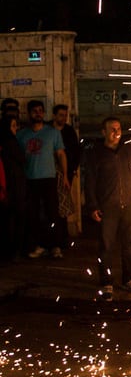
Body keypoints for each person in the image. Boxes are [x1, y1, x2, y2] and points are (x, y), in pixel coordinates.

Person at [84, 117, 131, 302]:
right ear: (103, 132)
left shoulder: (128, 150)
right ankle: (106, 282)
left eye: (118, 128)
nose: (116, 132)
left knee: (129, 245)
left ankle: (129, 279)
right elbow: (90, 183)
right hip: (107, 207)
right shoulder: (96, 154)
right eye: (112, 129)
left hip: (128, 205)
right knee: (106, 246)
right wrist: (92, 206)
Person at [17, 100, 68, 259]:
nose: (38, 113)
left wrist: (65, 176)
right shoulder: (22, 135)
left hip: (48, 178)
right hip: (30, 179)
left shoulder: (52, 133)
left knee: (52, 213)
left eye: (40, 111)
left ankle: (55, 246)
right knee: (33, 214)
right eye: (34, 111)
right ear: (29, 113)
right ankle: (38, 245)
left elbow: (61, 154)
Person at [51, 104, 81, 258]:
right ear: (54, 115)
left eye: (65, 115)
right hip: (49, 174)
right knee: (52, 207)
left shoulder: (69, 131)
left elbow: (75, 151)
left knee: (63, 207)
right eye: (61, 115)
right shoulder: (49, 130)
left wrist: (72, 171)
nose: (64, 118)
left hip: (65, 174)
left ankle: (62, 239)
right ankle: (53, 240)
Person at [0, 115, 26, 262]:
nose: (16, 129)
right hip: (13, 186)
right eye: (13, 126)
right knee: (14, 219)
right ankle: (13, 251)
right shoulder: (10, 142)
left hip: (9, 185)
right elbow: (21, 159)